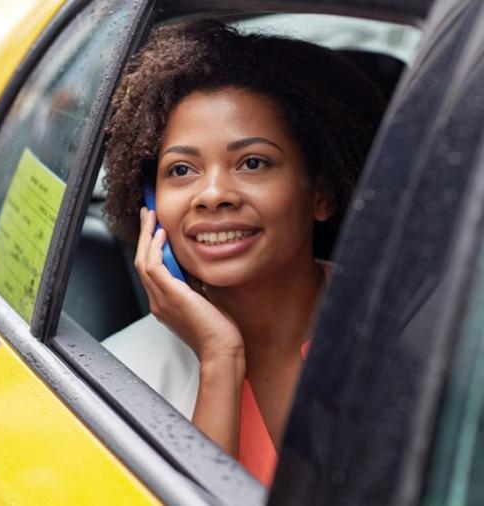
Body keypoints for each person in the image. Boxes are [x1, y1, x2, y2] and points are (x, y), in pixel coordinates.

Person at [101, 20, 386, 485]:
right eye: (181, 169)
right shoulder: (118, 374)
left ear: (322, 193)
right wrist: (220, 358)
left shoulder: (400, 324)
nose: (213, 194)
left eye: (252, 162)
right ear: (150, 206)